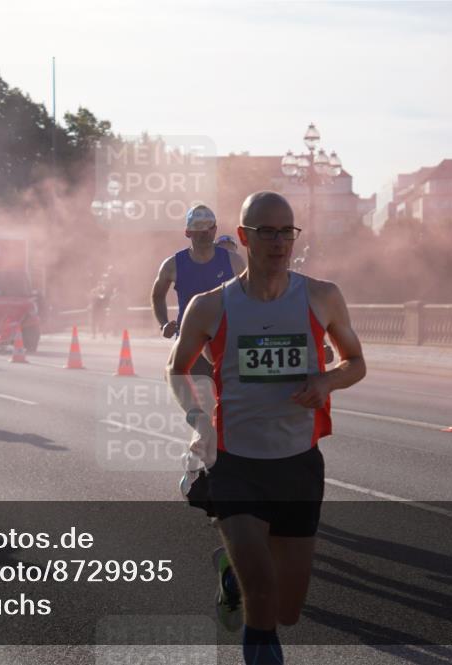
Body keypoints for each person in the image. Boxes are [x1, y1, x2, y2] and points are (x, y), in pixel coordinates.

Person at [167, 192, 365, 664]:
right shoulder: (210, 306)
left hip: (298, 464)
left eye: (286, 231)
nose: (279, 242)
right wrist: (199, 422)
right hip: (235, 464)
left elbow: (355, 362)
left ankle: (232, 574)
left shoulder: (321, 296)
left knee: (287, 608)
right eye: (266, 232)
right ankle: (246, 589)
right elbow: (178, 369)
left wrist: (327, 380)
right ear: (243, 237)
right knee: (262, 602)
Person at [152, 205, 247, 373]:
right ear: (188, 232)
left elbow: (251, 294)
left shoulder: (234, 261)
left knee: (228, 397)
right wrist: (164, 323)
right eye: (198, 227)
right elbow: (158, 295)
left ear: (215, 229)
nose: (205, 232)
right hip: (189, 343)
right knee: (192, 397)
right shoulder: (173, 265)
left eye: (209, 227)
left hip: (227, 342)